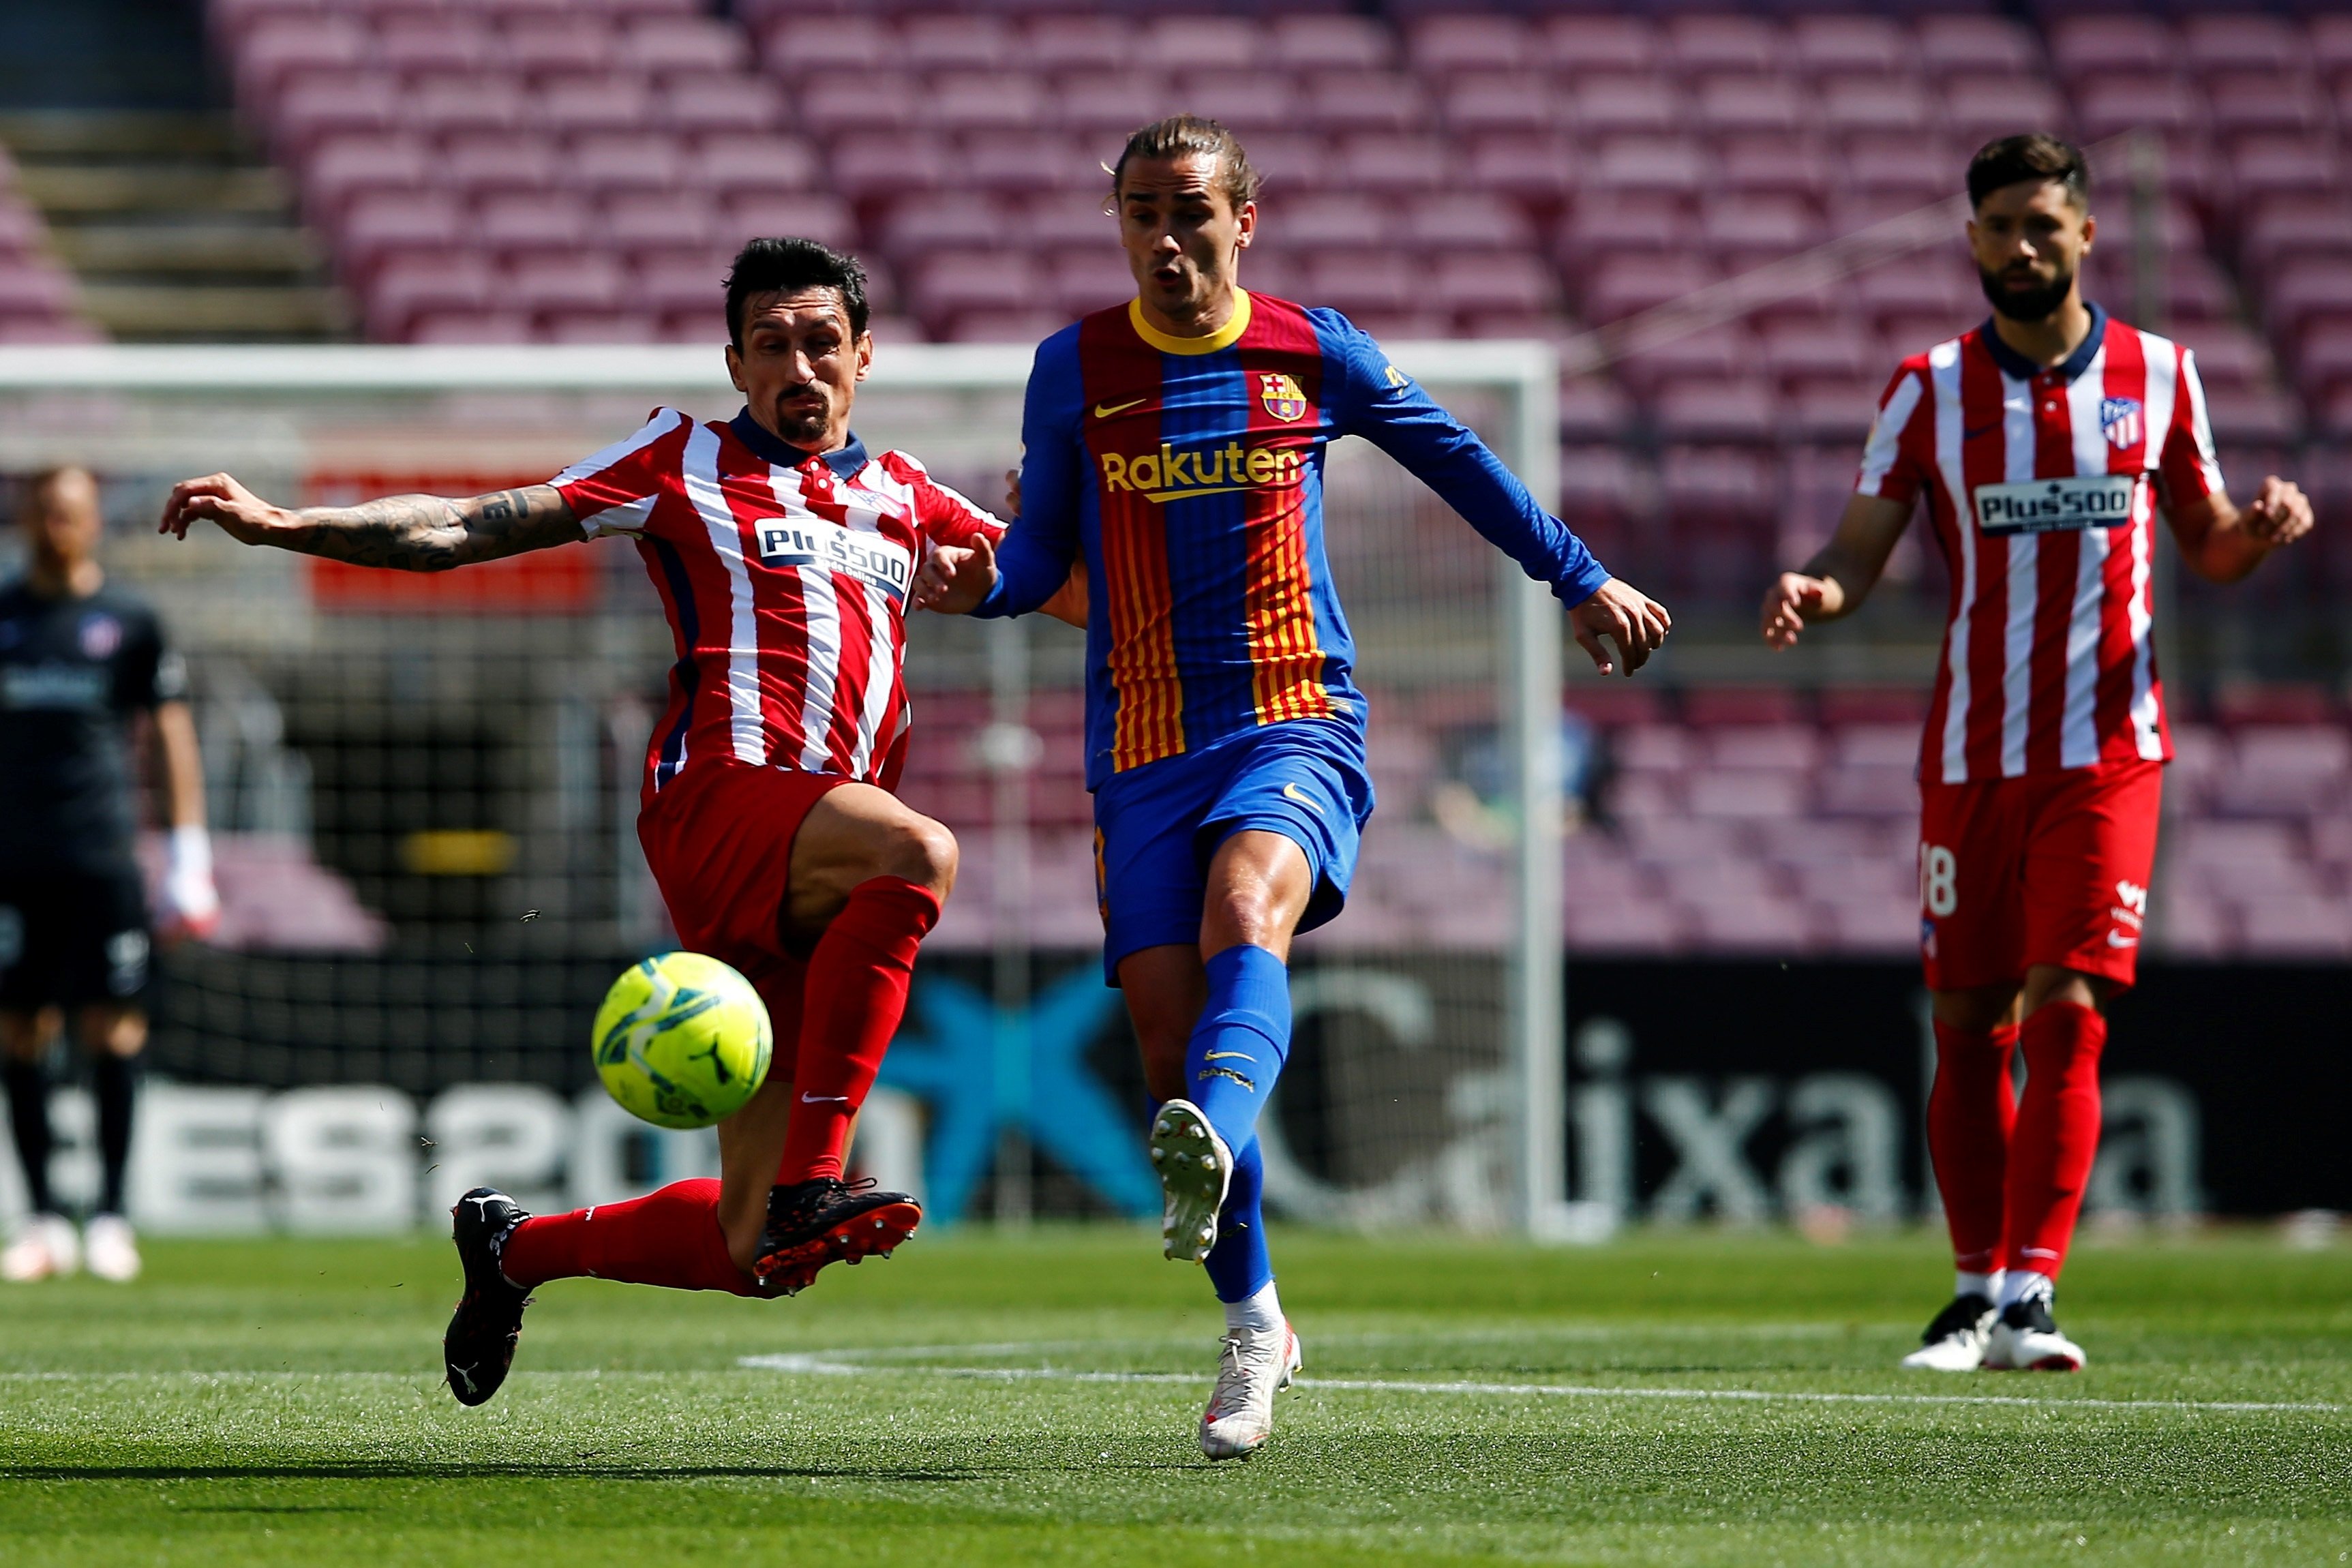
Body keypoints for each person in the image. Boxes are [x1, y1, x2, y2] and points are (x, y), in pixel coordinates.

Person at [160, 238, 1059, 1407]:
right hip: (720, 806)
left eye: (823, 343)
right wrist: (291, 527)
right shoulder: (677, 459)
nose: (800, 364)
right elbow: (468, 526)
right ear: (733, 359)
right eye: (773, 344)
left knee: (753, 1258)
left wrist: (1056, 545)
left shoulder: (908, 498)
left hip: (815, 863)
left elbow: (1064, 595)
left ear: (864, 356)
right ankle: (817, 1177)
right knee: (919, 850)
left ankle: (512, 1251)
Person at [919, 115, 1672, 1458]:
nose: (1165, 234)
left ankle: (1216, 1132)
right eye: (1141, 209)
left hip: (1292, 715)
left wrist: (1581, 575)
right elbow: (1037, 557)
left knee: (1247, 910)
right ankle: (1257, 1317)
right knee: (1166, 1037)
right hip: (1141, 743)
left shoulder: (1313, 349)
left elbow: (1462, 463)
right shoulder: (1073, 368)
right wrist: (977, 587)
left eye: (1190, 209)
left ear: (1242, 219)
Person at [1760, 135, 2313, 1373]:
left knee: (2069, 1010)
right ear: (1971, 241)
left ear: (2085, 236)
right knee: (1969, 1022)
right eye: (2000, 225)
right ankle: (1971, 1295)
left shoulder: (2160, 376)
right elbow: (1860, 553)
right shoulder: (1926, 390)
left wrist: (2260, 534)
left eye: (2043, 225)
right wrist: (1816, 586)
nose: (2022, 246)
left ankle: (2031, 1295)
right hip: (1970, 752)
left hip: (2110, 751)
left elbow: (2210, 544)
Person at [1, 465, 218, 1285]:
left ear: (93, 522)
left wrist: (188, 857)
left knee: (114, 1027)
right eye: (44, 511)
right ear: (26, 519)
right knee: (22, 1031)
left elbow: (170, 735)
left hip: (102, 856)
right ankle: (43, 1219)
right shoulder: (5, 614)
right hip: (14, 860)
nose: (57, 524)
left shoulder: (129, 619)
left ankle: (114, 1215)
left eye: (71, 513)